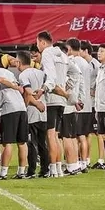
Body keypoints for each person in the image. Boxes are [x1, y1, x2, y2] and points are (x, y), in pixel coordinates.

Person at [0, 52, 29, 180]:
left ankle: (3, 173)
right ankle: (21, 172)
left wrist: (14, 86)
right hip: (21, 107)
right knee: (22, 142)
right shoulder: (8, 72)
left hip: (9, 108)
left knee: (7, 142)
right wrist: (17, 87)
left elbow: (1, 80)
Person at [34, 31, 72, 178]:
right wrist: (69, 88)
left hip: (51, 98)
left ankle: (53, 169)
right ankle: (58, 169)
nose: (37, 46)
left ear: (43, 42)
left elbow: (51, 77)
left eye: (37, 43)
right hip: (61, 100)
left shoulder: (47, 53)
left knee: (50, 136)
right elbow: (75, 72)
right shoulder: (62, 54)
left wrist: (43, 89)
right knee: (55, 136)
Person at [16, 51, 48, 178]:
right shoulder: (41, 73)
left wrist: (35, 103)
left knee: (31, 143)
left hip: (31, 112)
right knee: (42, 143)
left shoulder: (23, 75)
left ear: (19, 62)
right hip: (44, 112)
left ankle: (31, 171)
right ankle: (45, 170)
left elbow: (28, 92)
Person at [67, 38, 93, 172]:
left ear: (70, 48)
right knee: (85, 135)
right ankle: (85, 161)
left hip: (77, 103)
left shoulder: (73, 62)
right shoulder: (85, 62)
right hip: (87, 103)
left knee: (77, 135)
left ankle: (78, 163)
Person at [58, 43, 84, 176]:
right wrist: (79, 99)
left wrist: (67, 92)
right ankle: (75, 164)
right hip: (72, 105)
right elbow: (81, 84)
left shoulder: (64, 66)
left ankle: (71, 166)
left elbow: (66, 85)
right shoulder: (74, 65)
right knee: (72, 137)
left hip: (66, 105)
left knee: (66, 137)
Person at [80, 40, 100, 163]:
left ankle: (87, 159)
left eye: (80, 50)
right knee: (83, 132)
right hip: (82, 102)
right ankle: (83, 158)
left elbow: (102, 81)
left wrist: (95, 91)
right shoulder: (80, 63)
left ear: (86, 51)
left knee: (89, 133)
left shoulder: (95, 65)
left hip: (92, 104)